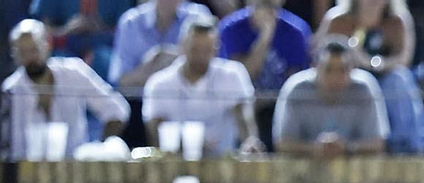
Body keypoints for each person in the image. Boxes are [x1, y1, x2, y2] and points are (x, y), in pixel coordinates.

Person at [2, 20, 129, 160]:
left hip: (76, 168)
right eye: (22, 53)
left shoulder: (74, 73)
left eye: (33, 50)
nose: (29, 58)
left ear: (47, 45)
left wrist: (103, 146)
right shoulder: (10, 90)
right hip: (26, 172)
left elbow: (117, 111)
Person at [142, 15, 261, 155]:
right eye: (195, 50)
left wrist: (250, 141)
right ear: (182, 46)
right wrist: (191, 144)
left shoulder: (232, 75)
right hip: (176, 163)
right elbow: (156, 134)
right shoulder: (159, 84)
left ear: (216, 49)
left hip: (222, 164)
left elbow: (244, 117)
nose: (200, 56)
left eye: (207, 50)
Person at [318, 0, 424, 153]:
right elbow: (321, 60)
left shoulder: (398, 21)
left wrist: (370, 62)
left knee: (399, 79)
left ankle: (406, 149)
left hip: (384, 86)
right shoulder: (337, 20)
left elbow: (403, 61)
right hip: (347, 83)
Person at [272, 36, 388, 157]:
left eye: (342, 70)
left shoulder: (365, 88)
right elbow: (281, 144)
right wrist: (314, 149)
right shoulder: (295, 89)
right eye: (328, 70)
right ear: (315, 67)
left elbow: (378, 144)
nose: (335, 78)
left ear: (353, 69)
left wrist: (347, 148)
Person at [110, 0, 215, 88]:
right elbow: (120, 81)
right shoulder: (130, 22)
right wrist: (148, 70)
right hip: (139, 102)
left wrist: (167, 55)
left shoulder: (198, 16)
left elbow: (210, 68)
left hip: (189, 99)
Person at [217, 0, 310, 94]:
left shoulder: (297, 32)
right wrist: (265, 35)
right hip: (242, 101)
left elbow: (294, 87)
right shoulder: (230, 29)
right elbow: (240, 79)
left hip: (279, 102)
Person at [31, 0, 130, 75]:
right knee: (58, 66)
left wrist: (100, 28)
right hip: (64, 49)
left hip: (105, 50)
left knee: (107, 63)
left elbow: (127, 30)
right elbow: (40, 29)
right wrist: (66, 29)